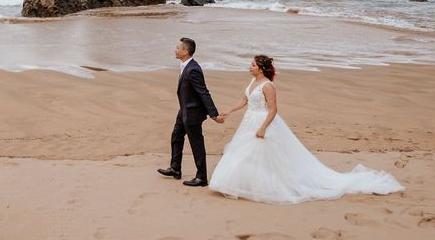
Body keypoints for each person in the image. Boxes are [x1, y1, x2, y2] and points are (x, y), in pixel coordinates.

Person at [209, 55, 405, 203]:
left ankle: (266, 187)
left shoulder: (268, 86)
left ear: (260, 69)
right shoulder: (253, 82)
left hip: (262, 122)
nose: (249, 67)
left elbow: (274, 109)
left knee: (264, 155)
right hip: (248, 120)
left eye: (252, 65)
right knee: (244, 152)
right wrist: (230, 111)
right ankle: (240, 184)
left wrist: (262, 128)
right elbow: (245, 100)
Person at [158, 37, 225, 187]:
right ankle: (175, 168)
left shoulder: (193, 69)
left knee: (196, 144)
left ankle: (202, 177)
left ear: (185, 51)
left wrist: (214, 114)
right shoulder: (185, 65)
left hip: (193, 112)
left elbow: (203, 92)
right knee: (176, 136)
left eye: (177, 48)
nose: (175, 50)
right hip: (184, 110)